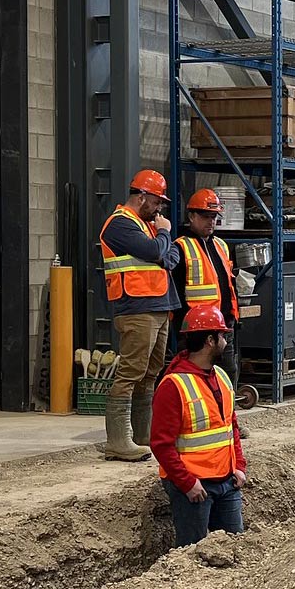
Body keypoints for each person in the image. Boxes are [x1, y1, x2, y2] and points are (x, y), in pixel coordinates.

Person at [146, 303, 247, 547]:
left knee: (238, 549)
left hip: (226, 482)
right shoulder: (173, 386)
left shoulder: (220, 376)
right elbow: (161, 445)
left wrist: (239, 465)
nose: (226, 341)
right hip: (193, 487)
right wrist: (187, 483)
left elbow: (230, 425)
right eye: (222, 336)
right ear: (210, 340)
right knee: (191, 554)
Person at [99, 169, 182, 462]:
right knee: (131, 372)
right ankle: (118, 441)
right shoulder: (119, 225)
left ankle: (142, 435)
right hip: (136, 308)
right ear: (142, 196)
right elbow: (154, 251)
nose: (159, 209)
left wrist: (162, 245)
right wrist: (164, 235)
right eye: (157, 201)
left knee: (151, 373)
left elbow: (170, 257)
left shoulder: (144, 226)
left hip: (158, 307)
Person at [174, 188, 239, 385]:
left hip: (224, 325)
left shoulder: (221, 245)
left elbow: (229, 285)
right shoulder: (180, 247)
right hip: (196, 331)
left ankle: (226, 414)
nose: (211, 221)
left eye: (214, 216)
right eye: (205, 216)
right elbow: (176, 292)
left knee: (228, 373)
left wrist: (233, 317)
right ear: (191, 216)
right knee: (194, 378)